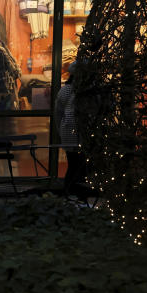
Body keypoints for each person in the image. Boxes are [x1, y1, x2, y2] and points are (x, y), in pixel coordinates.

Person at [55, 61, 86, 195]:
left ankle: (69, 192)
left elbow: (58, 112)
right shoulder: (89, 90)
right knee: (80, 166)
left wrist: (59, 130)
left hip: (68, 131)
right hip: (84, 133)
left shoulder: (65, 90)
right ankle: (75, 193)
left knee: (73, 164)